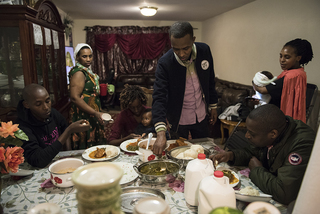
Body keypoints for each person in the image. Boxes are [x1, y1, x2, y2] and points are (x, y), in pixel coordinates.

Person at [211, 104, 315, 205]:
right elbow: (252, 152)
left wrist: (257, 170)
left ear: (273, 134)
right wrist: (231, 155)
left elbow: (284, 193)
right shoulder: (272, 129)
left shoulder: (302, 144)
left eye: (252, 134)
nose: (247, 136)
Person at [152, 21, 218, 155]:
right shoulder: (165, 63)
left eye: (186, 48)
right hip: (178, 119)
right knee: (179, 154)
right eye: (176, 49)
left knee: (202, 152)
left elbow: (210, 79)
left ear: (193, 40)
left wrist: (213, 105)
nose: (181, 54)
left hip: (201, 115)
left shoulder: (204, 50)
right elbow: (159, 97)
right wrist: (160, 132)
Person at [16, 84, 90, 168]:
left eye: (47, 101)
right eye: (38, 104)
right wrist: (69, 130)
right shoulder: (22, 128)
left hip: (56, 161)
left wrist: (68, 154)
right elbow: (38, 160)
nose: (46, 107)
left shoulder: (52, 113)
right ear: (26, 104)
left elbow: (64, 129)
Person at [253, 38, 313, 123]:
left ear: (298, 58)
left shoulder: (291, 76)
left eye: (287, 57)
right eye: (281, 56)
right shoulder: (300, 73)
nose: (282, 60)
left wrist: (254, 81)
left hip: (280, 119)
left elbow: (262, 90)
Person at [69, 43, 105, 149]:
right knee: (87, 139)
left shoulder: (86, 71)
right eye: (84, 56)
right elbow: (75, 97)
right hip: (84, 113)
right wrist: (94, 112)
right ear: (77, 57)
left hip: (91, 110)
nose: (88, 59)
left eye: (90, 56)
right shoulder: (79, 73)